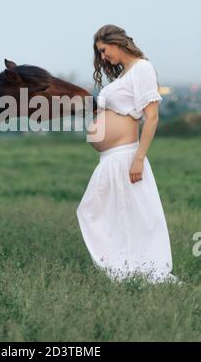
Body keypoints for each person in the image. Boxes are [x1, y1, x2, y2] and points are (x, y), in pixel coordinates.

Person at [76, 24, 179, 284]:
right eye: (99, 53)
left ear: (117, 43)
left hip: (126, 156)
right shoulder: (124, 75)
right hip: (110, 158)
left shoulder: (142, 69)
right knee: (102, 214)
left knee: (137, 217)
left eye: (103, 50)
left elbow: (152, 117)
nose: (102, 57)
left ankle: (137, 271)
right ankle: (123, 269)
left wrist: (139, 159)